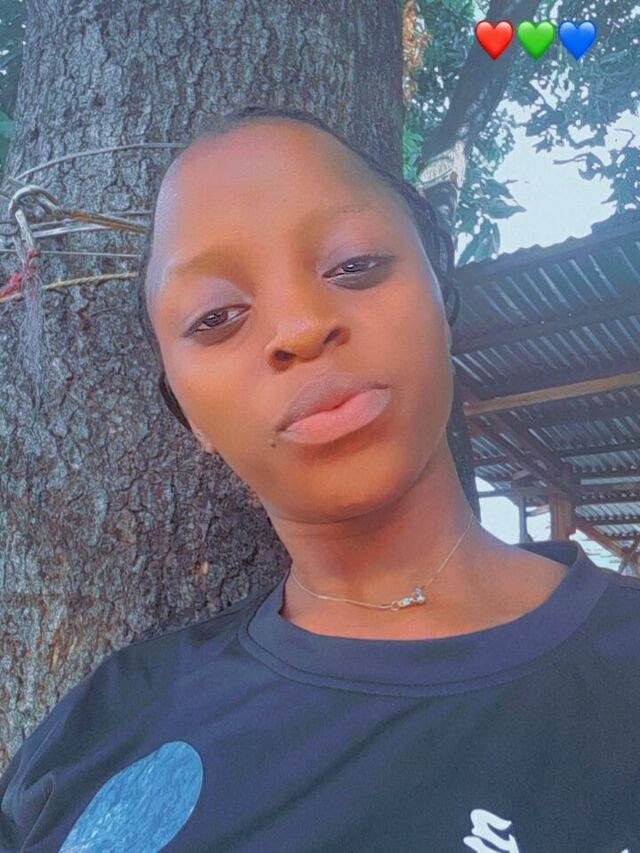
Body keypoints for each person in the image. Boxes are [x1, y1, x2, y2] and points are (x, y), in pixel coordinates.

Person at [1, 105, 638, 853]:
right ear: (188, 413)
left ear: (442, 299)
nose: (301, 327)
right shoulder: (101, 730)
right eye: (216, 316)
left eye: (353, 264)